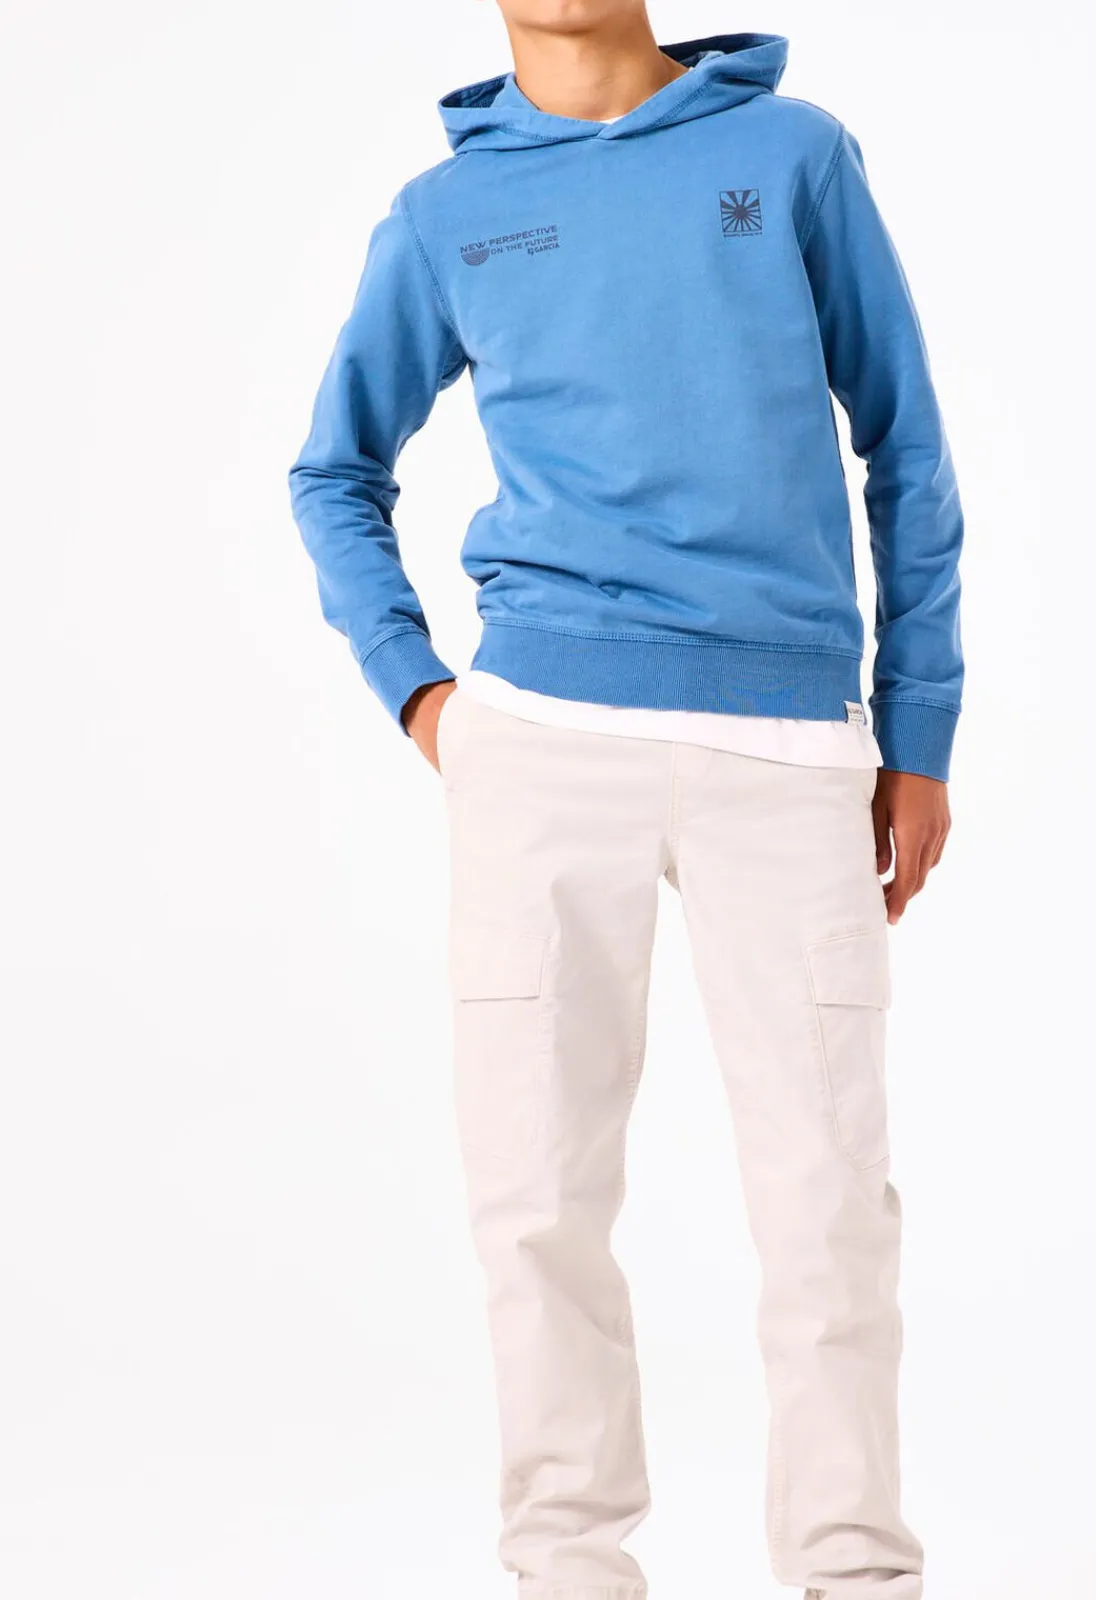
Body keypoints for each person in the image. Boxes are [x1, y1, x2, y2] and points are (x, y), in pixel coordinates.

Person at [289, 4, 964, 1596]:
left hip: (788, 752)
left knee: (826, 1202)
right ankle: (568, 1571)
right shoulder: (448, 211)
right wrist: (422, 691)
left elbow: (906, 444)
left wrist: (922, 727)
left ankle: (855, 1574)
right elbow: (334, 470)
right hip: (539, 747)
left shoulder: (790, 156)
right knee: (536, 1200)